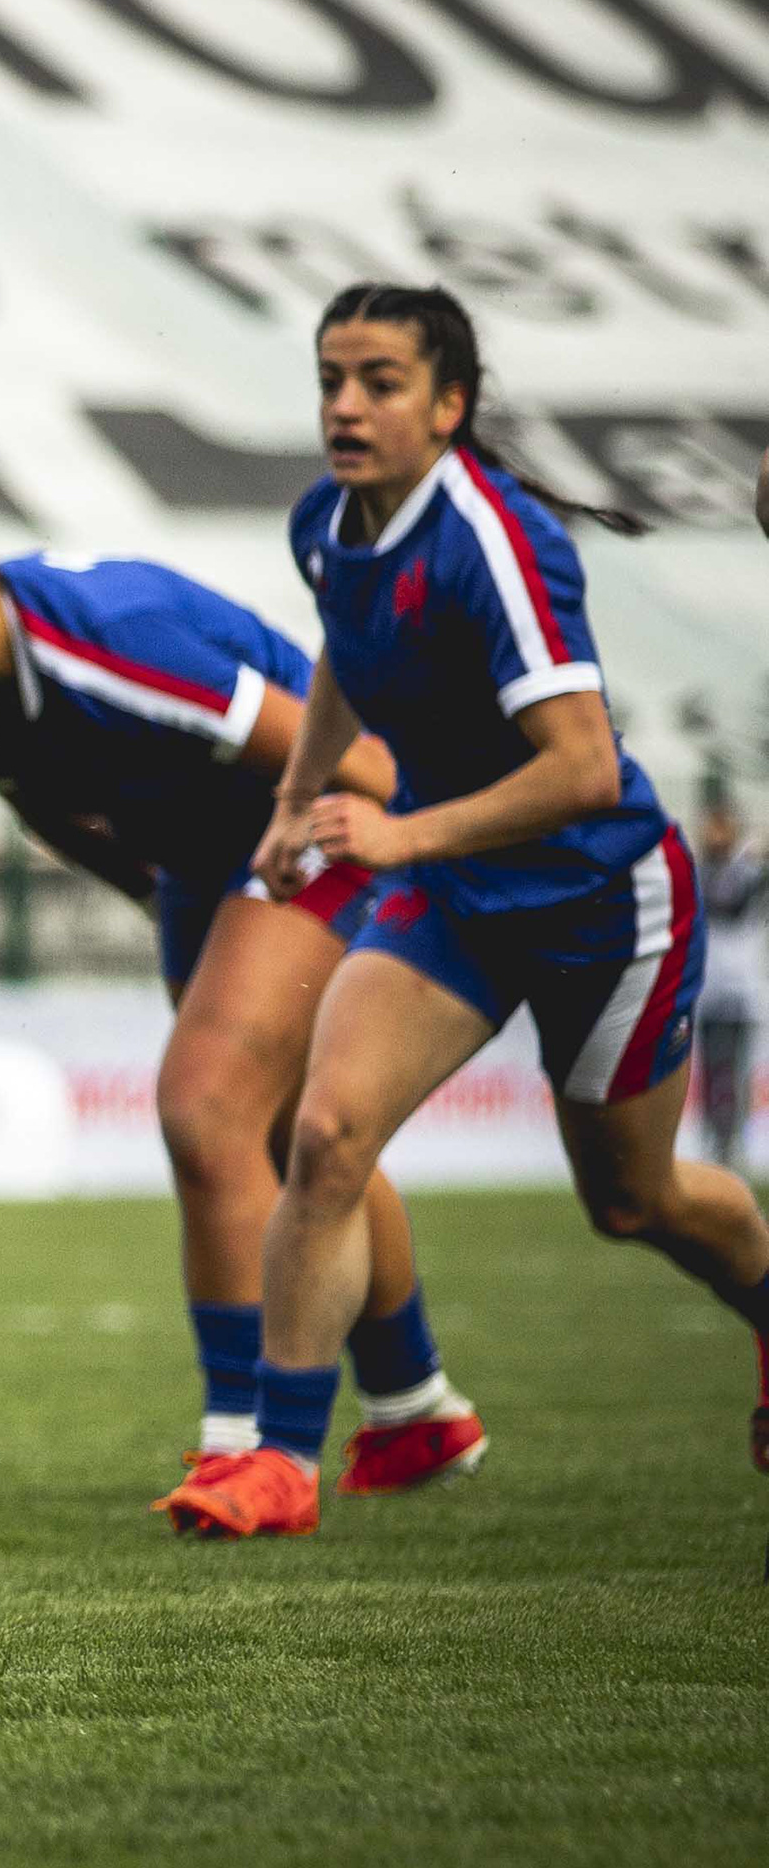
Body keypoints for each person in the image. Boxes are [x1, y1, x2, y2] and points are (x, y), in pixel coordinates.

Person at [0, 465, 480, 1514]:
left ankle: (244, 1445)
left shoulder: (106, 644)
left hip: (317, 816)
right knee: (292, 1136)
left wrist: (437, 839)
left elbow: (331, 749)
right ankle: (415, 1409)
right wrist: (161, 893)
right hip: (203, 861)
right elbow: (49, 808)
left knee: (207, 1106)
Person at [194, 282, 769, 1539]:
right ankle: (281, 1464)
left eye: (380, 382)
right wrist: (298, 801)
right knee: (329, 1130)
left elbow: (582, 770)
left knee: (633, 1204)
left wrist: (400, 830)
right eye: (330, 378)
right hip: (460, 892)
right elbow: (350, 649)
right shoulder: (327, 524)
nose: (346, 405)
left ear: (450, 406)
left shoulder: (496, 540)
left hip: (603, 899)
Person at [697, 786, 758, 1179]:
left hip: (740, 990)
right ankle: (714, 1142)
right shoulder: (701, 871)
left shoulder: (747, 873)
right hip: (709, 990)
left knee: (735, 1072)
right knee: (712, 1071)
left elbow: (731, 904)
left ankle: (733, 1143)